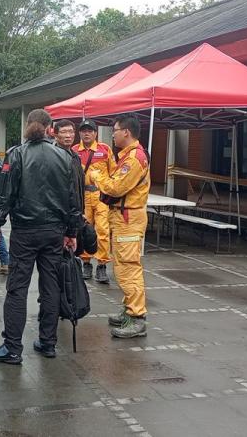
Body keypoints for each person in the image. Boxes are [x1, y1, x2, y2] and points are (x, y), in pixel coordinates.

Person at [0, 109, 82, 363]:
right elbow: (74, 199)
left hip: (25, 231)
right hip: (54, 232)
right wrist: (71, 231)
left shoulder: (16, 154)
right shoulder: (64, 157)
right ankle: (48, 342)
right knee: (51, 286)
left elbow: (5, 194)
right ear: (50, 128)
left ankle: (13, 347)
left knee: (17, 288)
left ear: (28, 125)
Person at [89, 115, 149, 339]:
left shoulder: (134, 159)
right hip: (123, 217)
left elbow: (116, 187)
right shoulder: (127, 156)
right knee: (123, 265)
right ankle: (129, 310)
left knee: (128, 268)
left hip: (129, 219)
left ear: (127, 132)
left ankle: (137, 317)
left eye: (115, 130)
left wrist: (97, 176)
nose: (112, 134)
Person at [72, 119, 115, 283]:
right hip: (82, 196)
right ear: (80, 133)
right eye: (83, 130)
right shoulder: (74, 150)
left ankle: (102, 265)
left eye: (90, 130)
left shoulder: (105, 150)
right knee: (83, 230)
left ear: (96, 133)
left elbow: (113, 173)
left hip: (101, 196)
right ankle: (86, 262)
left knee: (103, 231)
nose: (86, 133)